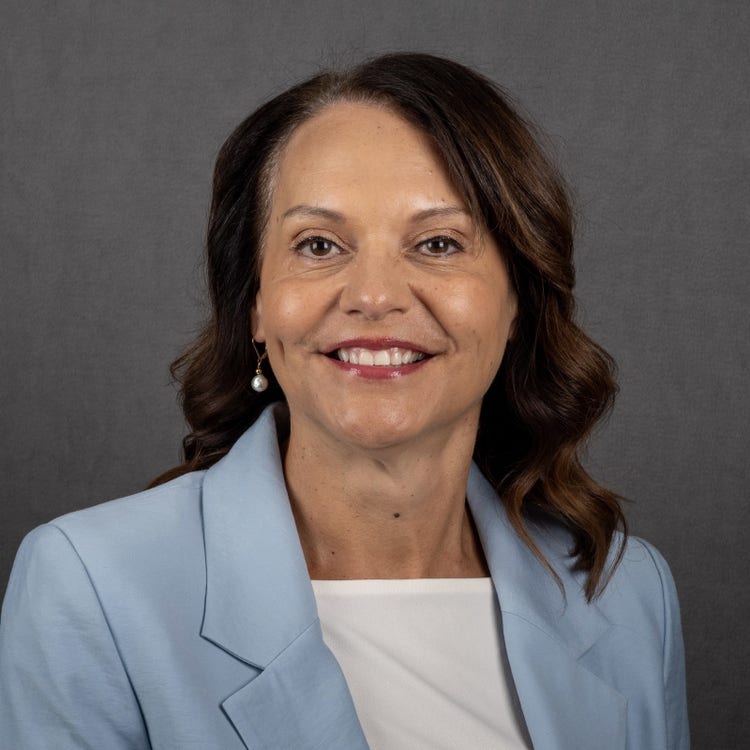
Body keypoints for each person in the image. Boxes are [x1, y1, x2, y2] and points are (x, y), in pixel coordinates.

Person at [0, 53, 689, 749]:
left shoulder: (629, 595)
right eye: (320, 245)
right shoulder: (94, 588)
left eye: (438, 243)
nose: (374, 296)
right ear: (255, 304)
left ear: (519, 301)